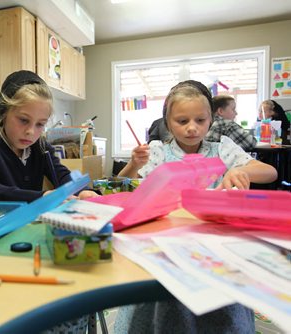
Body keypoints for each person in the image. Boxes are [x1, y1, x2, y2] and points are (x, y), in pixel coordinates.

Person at [116, 80, 276, 333]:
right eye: (182, 121)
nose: (192, 128)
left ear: (210, 120)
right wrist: (134, 165)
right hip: (166, 242)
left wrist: (240, 169)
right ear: (168, 122)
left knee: (217, 308)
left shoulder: (222, 147)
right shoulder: (157, 151)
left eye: (200, 120)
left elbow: (270, 172)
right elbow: (120, 185)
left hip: (213, 244)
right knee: (165, 304)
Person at [0, 70, 99, 203]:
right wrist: (41, 197)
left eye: (40, 124)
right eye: (23, 120)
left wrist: (82, 190)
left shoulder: (41, 148)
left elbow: (62, 175)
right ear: (4, 113)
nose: (31, 132)